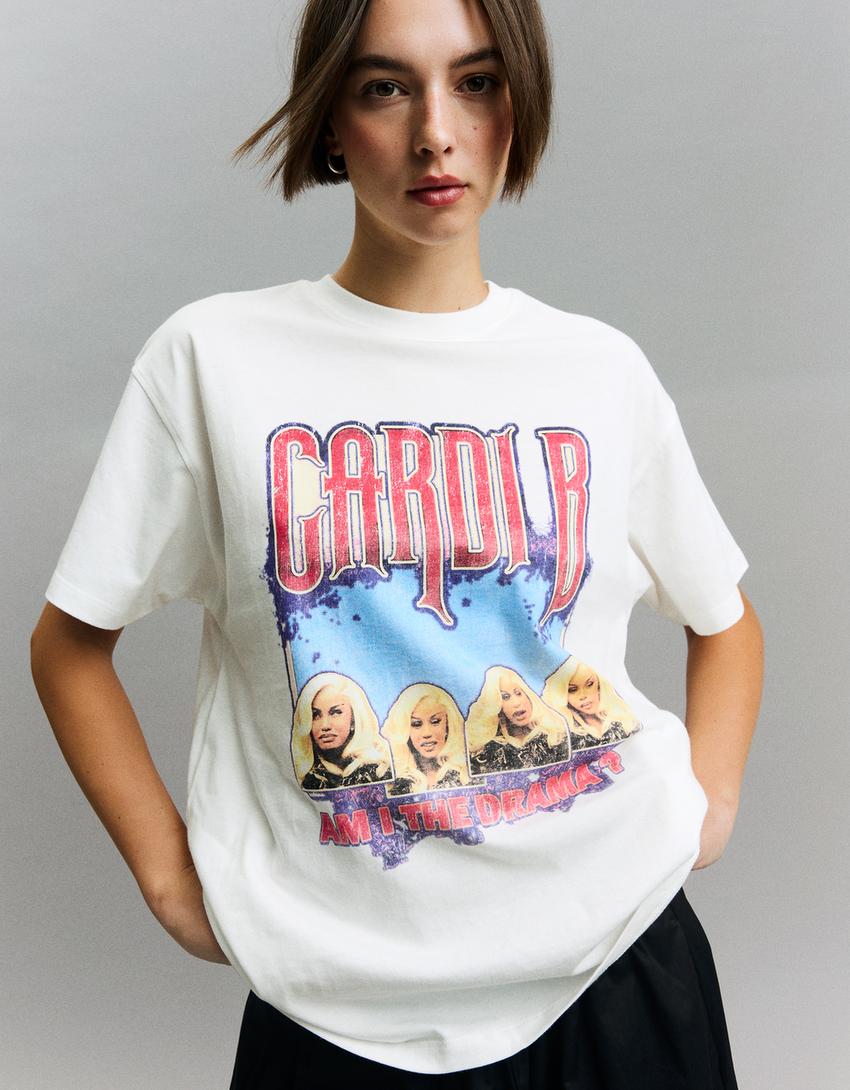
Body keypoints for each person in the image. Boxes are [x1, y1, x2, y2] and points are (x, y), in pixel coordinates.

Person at [29, 0, 764, 1086]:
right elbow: (69, 644)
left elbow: (726, 619)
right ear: (331, 116)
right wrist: (171, 878)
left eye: (476, 82)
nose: (435, 132)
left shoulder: (598, 369)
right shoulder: (212, 359)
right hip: (336, 1005)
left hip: (614, 964)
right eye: (385, 87)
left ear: (519, 101)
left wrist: (704, 810)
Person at [292, 671, 393, 790]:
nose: (325, 725)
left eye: (336, 712)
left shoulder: (381, 769)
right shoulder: (306, 778)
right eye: (315, 715)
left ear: (354, 719)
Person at [465, 665, 572, 774]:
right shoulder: (488, 751)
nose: (516, 703)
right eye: (505, 697)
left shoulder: (555, 736)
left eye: (519, 693)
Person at [382, 682, 470, 795]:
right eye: (416, 724)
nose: (427, 733)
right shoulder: (391, 781)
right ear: (404, 730)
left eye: (435, 721)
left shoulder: (469, 770)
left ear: (448, 723)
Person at [542, 654, 642, 751]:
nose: (583, 696)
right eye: (572, 690)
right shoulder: (558, 737)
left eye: (589, 684)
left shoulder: (624, 719)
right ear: (561, 696)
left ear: (599, 684)